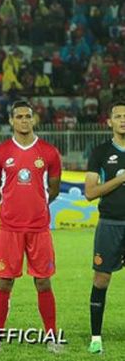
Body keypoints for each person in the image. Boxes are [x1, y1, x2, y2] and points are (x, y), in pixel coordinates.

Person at [0, 100, 62, 353]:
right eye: (18, 116)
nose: (23, 120)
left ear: (34, 119)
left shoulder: (49, 152)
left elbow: (52, 189)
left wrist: (36, 207)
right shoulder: (0, 153)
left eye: (27, 116)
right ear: (11, 120)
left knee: (43, 282)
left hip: (39, 228)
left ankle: (52, 337)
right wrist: (11, 208)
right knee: (4, 283)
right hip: (9, 229)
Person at [84, 101, 125, 354]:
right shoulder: (100, 152)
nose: (123, 119)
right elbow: (90, 192)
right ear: (109, 122)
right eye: (118, 116)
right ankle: (96, 337)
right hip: (110, 224)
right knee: (101, 278)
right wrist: (120, 179)